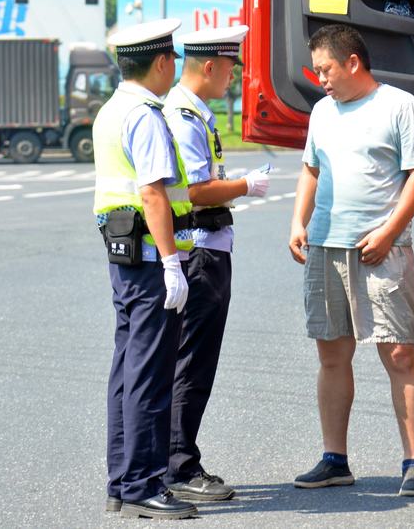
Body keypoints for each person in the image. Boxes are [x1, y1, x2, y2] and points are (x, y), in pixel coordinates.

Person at [288, 24, 414, 498]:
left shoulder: (399, 106)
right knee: (331, 354)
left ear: (352, 62)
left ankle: (413, 464)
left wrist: (389, 231)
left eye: (326, 69)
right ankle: (335, 459)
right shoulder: (321, 112)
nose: (321, 80)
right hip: (325, 247)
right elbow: (311, 169)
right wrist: (298, 222)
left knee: (398, 352)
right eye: (317, 72)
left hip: (382, 248)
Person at [162, 25, 271, 502]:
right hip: (200, 251)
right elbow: (196, 191)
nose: (232, 78)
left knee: (191, 361)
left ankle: (174, 460)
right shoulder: (185, 116)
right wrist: (247, 186)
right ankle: (180, 466)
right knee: (191, 363)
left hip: (206, 247)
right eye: (229, 69)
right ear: (209, 67)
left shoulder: (192, 112)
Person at [94, 18, 197, 520]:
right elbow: (153, 193)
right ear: (161, 62)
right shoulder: (145, 116)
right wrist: (174, 264)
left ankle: (122, 479)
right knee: (150, 374)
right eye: (173, 60)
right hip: (153, 258)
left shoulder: (112, 110)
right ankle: (141, 483)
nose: (174, 68)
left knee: (127, 369)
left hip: (125, 258)